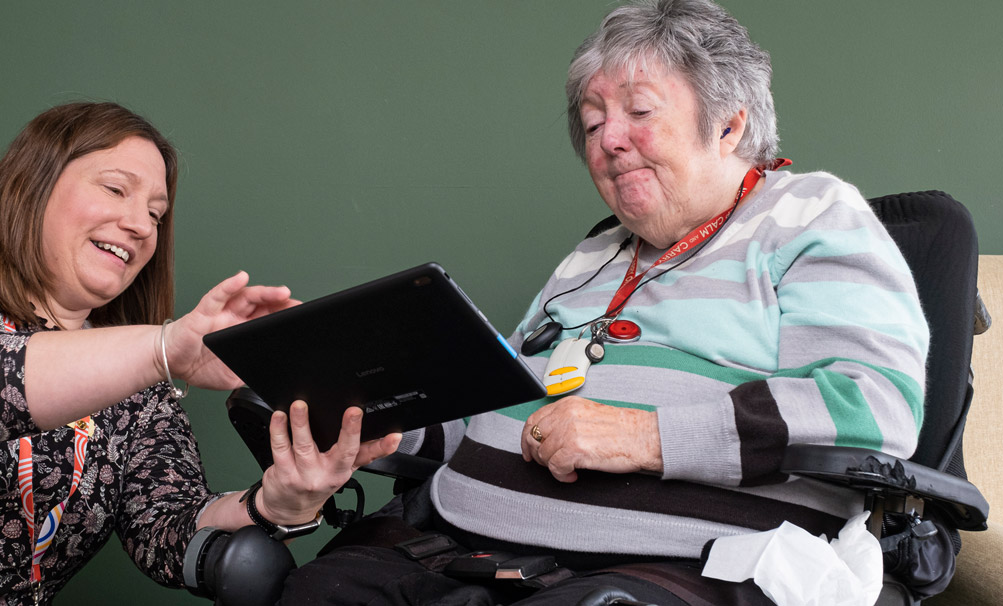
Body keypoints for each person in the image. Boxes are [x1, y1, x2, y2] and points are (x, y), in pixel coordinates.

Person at [280, 0, 929, 604]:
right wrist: (368, 420)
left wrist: (647, 437)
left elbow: (873, 407)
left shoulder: (812, 215)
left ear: (730, 123)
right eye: (593, 124)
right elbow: (486, 404)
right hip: (456, 549)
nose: (608, 140)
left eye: (638, 113)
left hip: (662, 572)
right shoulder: (596, 253)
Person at [0, 101, 399, 605]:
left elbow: (166, 533)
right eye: (117, 190)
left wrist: (283, 503)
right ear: (31, 185)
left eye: (156, 212)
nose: (143, 225)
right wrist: (163, 347)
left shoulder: (137, 384)